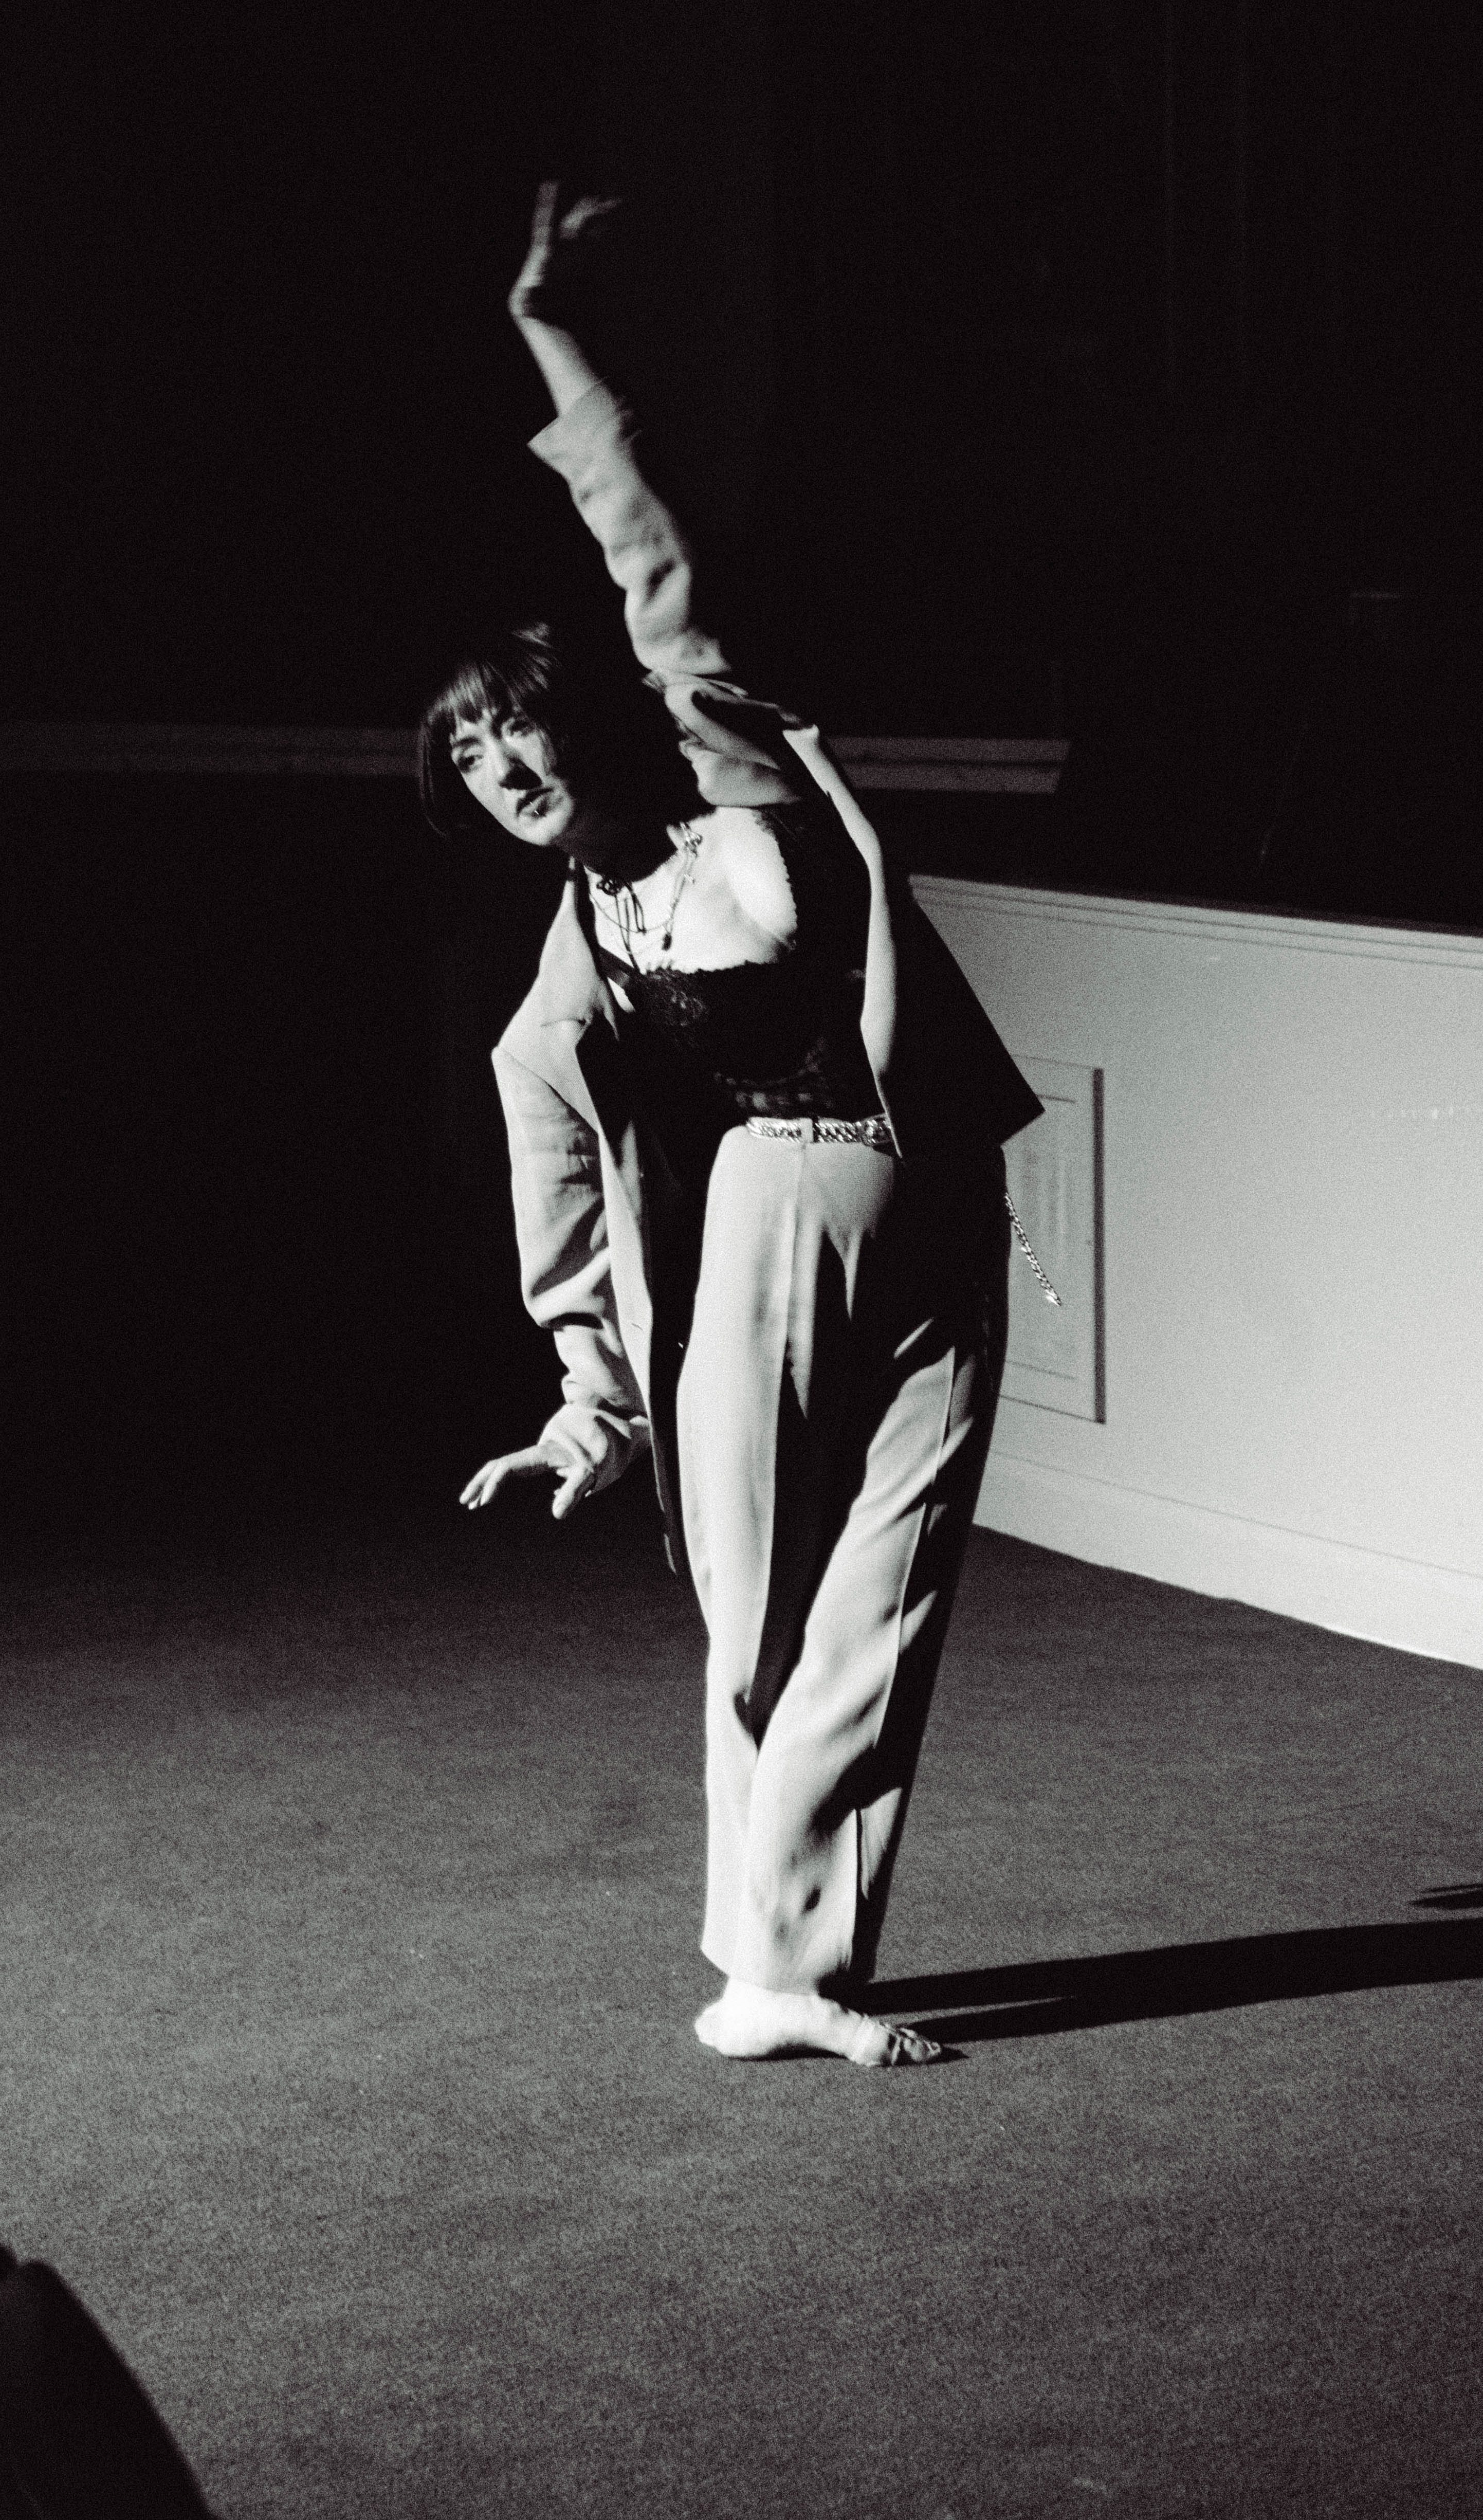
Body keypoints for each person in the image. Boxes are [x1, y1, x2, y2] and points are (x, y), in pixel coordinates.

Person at [421, 185, 1046, 2071]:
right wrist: (587, 1394)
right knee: (757, 1605)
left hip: (935, 1187)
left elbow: (652, 553)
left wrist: (555, 342)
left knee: (895, 1581)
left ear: (577, 717)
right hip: (772, 1216)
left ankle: (797, 1962)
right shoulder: (580, 947)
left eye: (516, 731)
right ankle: (769, 1973)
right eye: (467, 760)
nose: (504, 771)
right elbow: (548, 1152)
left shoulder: (724, 762)